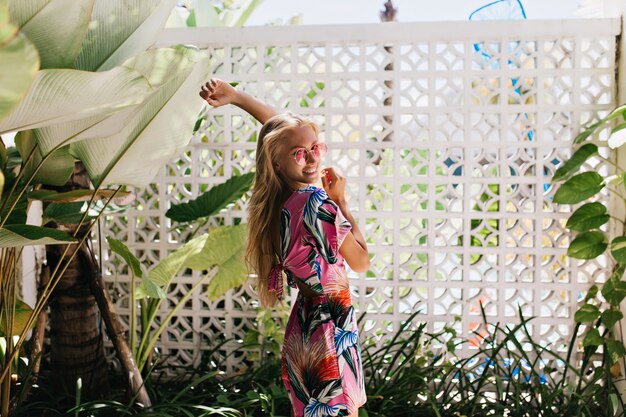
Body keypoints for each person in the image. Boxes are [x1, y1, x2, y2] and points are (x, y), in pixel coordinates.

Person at [200, 79, 370, 417]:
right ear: (279, 162)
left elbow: (283, 133)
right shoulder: (316, 202)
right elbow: (361, 261)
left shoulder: (280, 200)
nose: (311, 159)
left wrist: (237, 98)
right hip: (329, 334)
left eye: (316, 148)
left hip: (305, 327)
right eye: (300, 154)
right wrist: (342, 203)